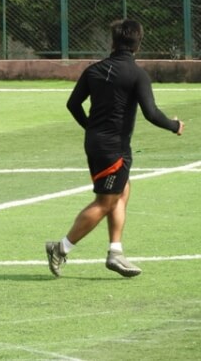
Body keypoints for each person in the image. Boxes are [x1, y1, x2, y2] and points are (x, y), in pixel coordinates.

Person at [46, 19, 184, 278]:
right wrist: (175, 125)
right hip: (114, 149)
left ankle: (115, 251)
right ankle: (60, 248)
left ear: (113, 41)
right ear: (138, 44)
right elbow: (151, 113)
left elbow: (73, 104)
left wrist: (90, 127)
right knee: (105, 202)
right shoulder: (137, 74)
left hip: (96, 143)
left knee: (122, 191)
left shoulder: (94, 70)